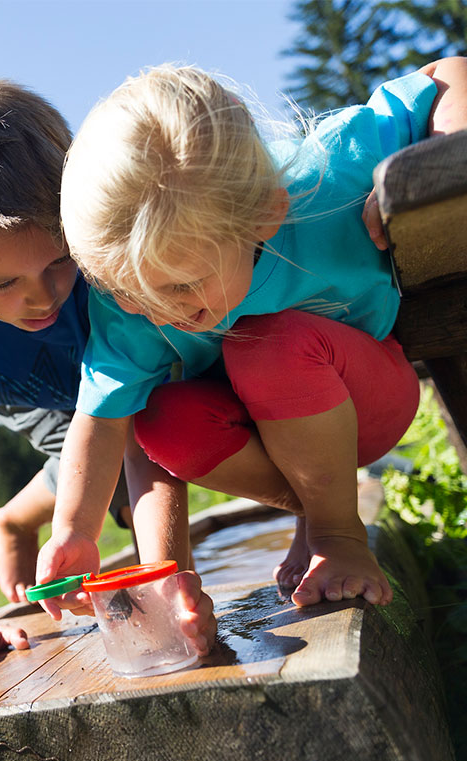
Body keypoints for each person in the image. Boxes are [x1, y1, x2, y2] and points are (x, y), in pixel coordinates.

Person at [37, 58, 467, 617]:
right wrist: (74, 531)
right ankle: (318, 508)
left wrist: (444, 155)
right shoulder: (140, 300)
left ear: (264, 213)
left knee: (264, 346)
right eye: (123, 290)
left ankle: (337, 534)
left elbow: (449, 74)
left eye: (181, 286)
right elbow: (99, 416)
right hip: (271, 440)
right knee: (160, 420)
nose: (157, 314)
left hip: (368, 397)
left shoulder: (331, 176)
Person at [0, 79, 215, 684]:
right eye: (2, 284)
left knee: (137, 448)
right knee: (92, 467)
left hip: (111, 370)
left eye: (59, 261)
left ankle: (13, 517)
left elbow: (133, 417)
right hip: (16, 384)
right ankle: (10, 521)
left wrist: (166, 580)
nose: (42, 297)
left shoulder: (98, 234)